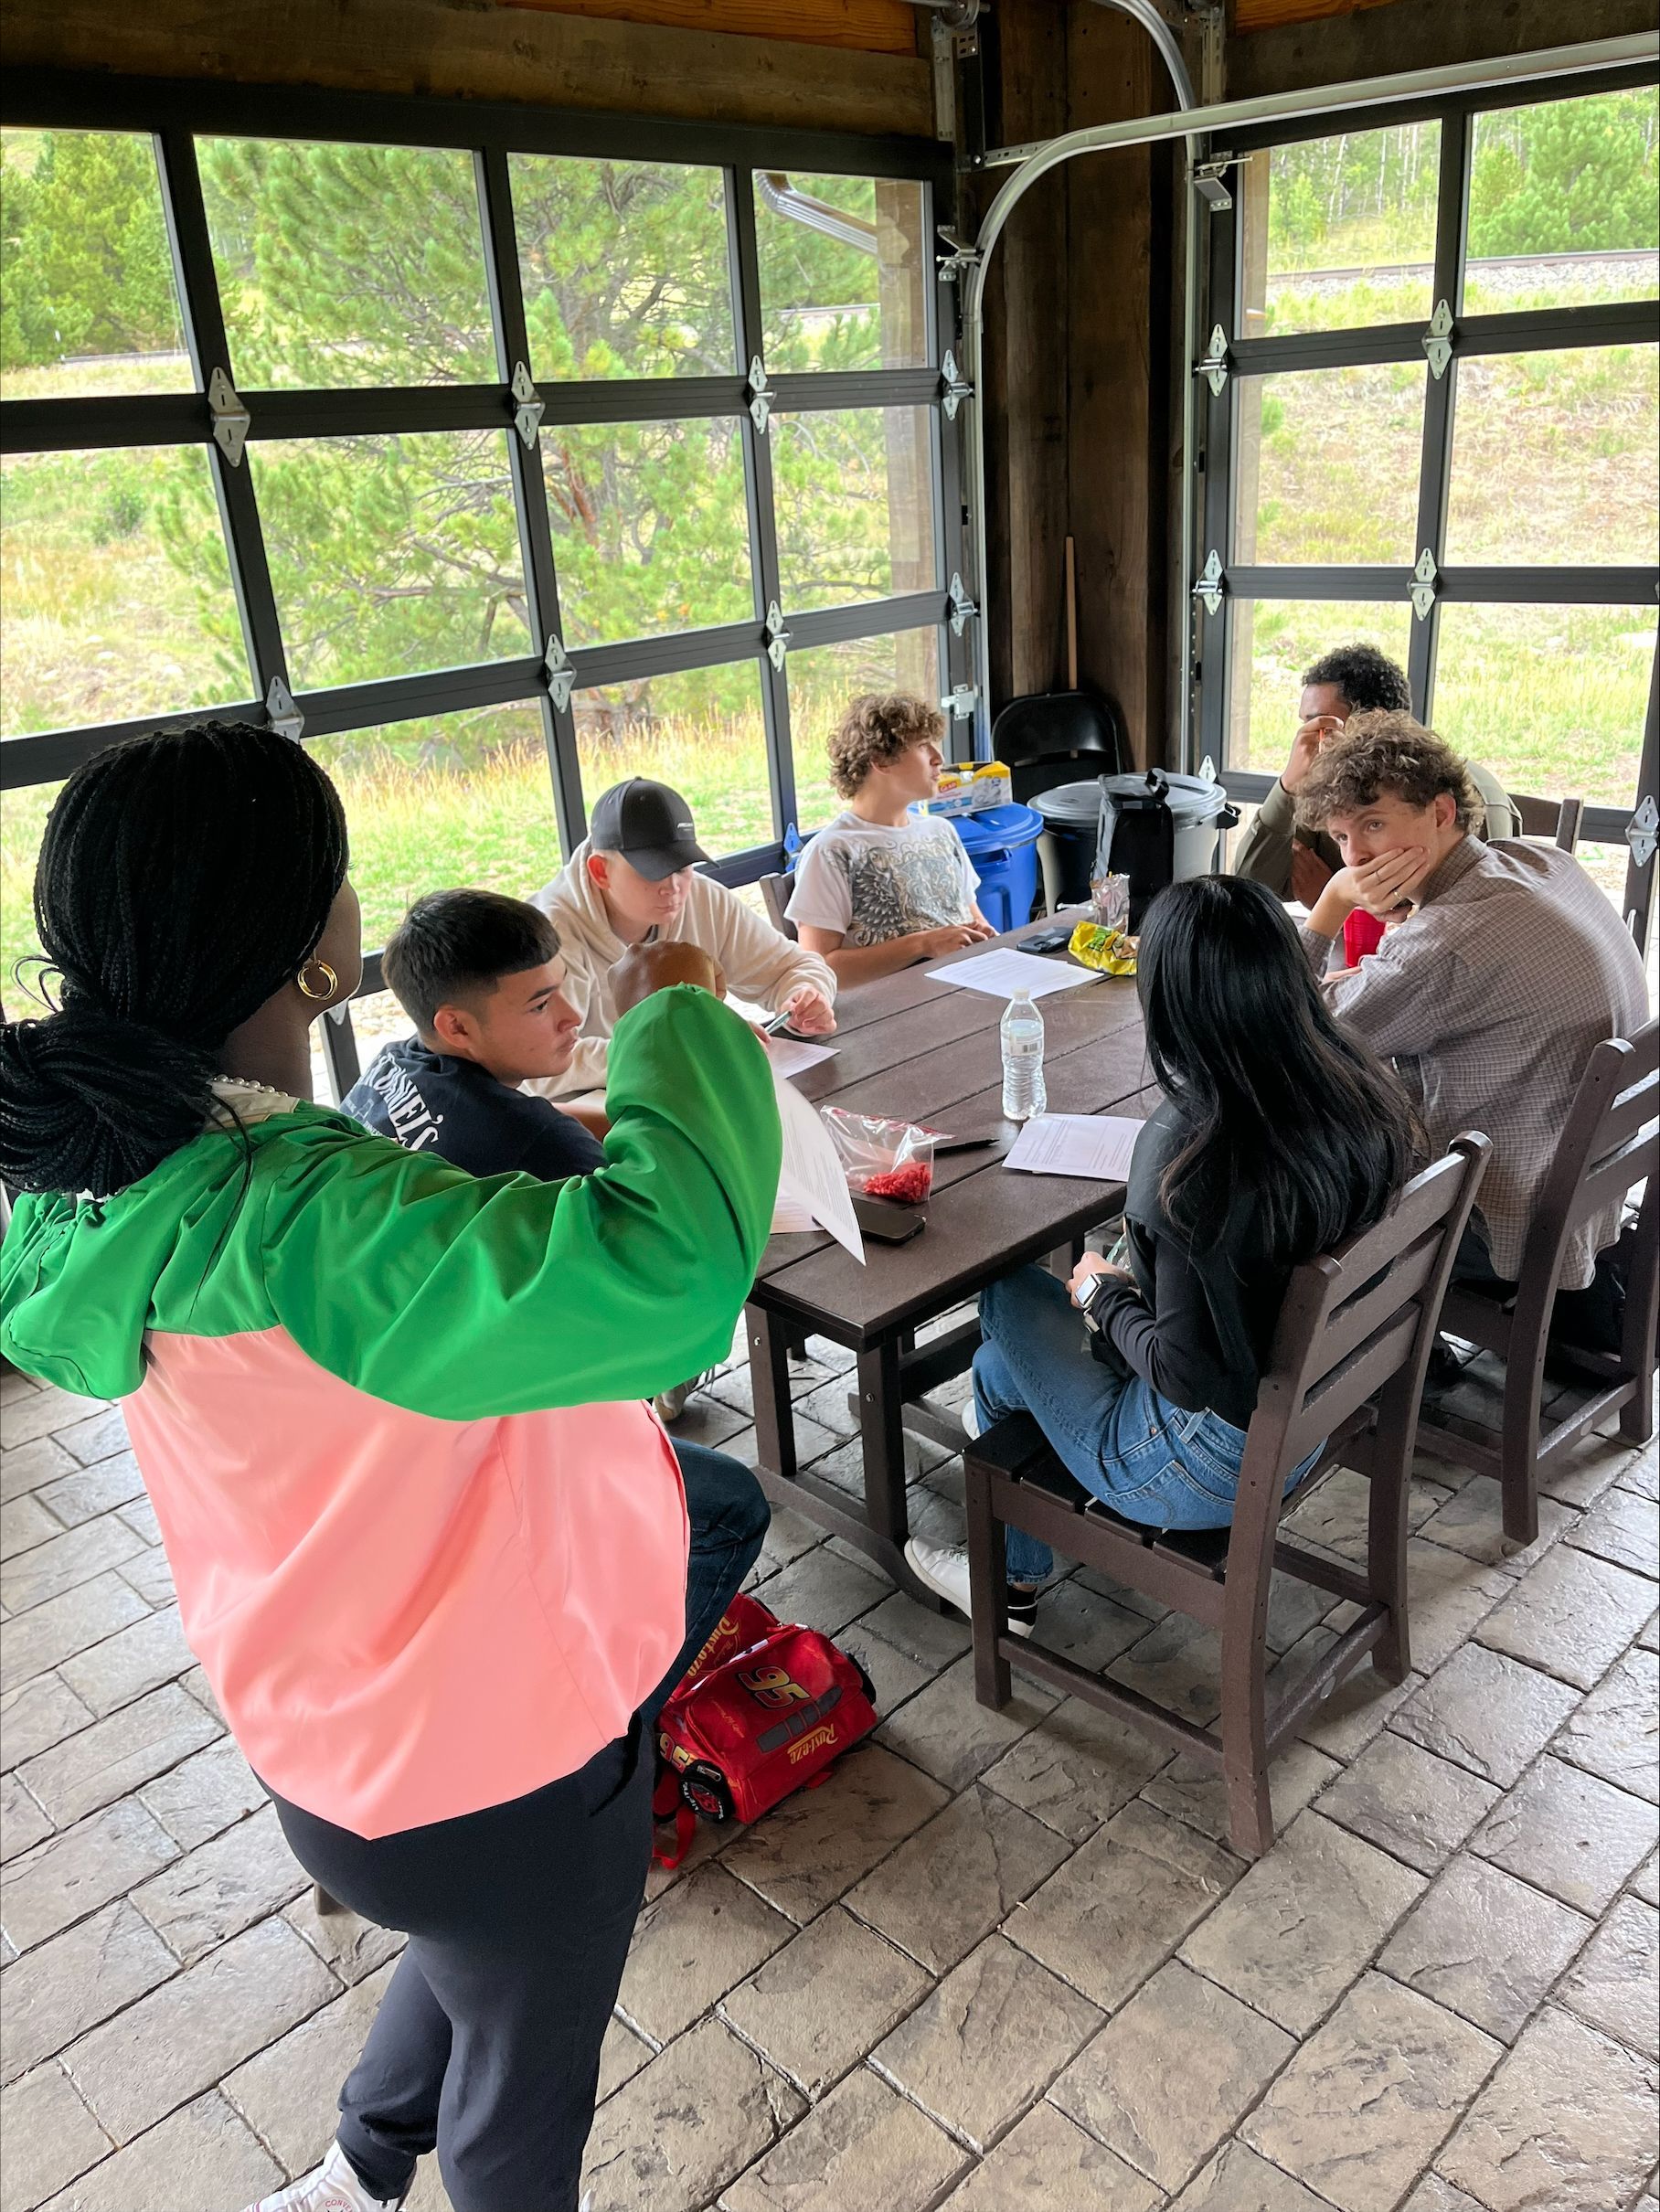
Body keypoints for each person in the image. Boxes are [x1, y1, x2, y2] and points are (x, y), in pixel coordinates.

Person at [0, 724, 781, 2212]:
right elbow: (675, 1275)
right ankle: (389, 2168)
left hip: (339, 1752)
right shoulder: (314, 1220)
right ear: (316, 963)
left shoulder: (107, 1202)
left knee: (472, 1957)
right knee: (518, 2114)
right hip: (514, 1760)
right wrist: (680, 1011)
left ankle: (355, 2172)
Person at [905, 874, 1419, 1627]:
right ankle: (1014, 1567)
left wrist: (1101, 1296)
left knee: (1007, 1287)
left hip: (1200, 1465)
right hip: (1314, 1407)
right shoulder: (1357, 1084)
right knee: (996, 1368)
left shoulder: (1194, 1151)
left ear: (1169, 1003)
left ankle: (1011, 1580)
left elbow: (1186, 1372)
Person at [343, 886, 770, 1714]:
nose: (573, 1018)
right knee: (727, 1506)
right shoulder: (531, 1140)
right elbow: (667, 1256)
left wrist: (588, 1121)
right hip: (490, 1445)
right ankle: (614, 1721)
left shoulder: (396, 1066)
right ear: (458, 1026)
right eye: (541, 1003)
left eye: (564, 987)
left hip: (405, 1404)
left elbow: (513, 1126)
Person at [1294, 710, 1647, 1342]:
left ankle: (1355, 1366)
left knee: (1294, 1176)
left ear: (1441, 812)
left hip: (1503, 1224)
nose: (1358, 857)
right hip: (1591, 1194)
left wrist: (1333, 903)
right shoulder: (1540, 860)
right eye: (1344, 839)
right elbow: (1425, 975)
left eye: (1374, 824)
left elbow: (1284, 1029)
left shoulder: (1444, 944)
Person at [531, 774, 836, 1117]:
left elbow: (796, 967)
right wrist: (688, 1045)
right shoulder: (548, 932)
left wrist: (805, 996)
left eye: (683, 866)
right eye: (653, 871)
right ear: (600, 871)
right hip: (588, 1124)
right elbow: (538, 1063)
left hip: (695, 1105)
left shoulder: (701, 897)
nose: (673, 887)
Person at [1232, 643, 1519, 927]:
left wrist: (1337, 904)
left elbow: (1455, 927)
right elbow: (1248, 891)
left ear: (1374, 725)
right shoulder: (1338, 792)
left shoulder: (1454, 797)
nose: (1305, 741)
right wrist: (1288, 786)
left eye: (1320, 726)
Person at [786, 693, 996, 984]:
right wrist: (924, 944)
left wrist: (984, 935)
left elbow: (974, 920)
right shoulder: (833, 851)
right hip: (890, 1015)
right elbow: (820, 967)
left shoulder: (941, 831)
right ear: (881, 761)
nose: (939, 759)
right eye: (923, 747)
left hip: (965, 988)